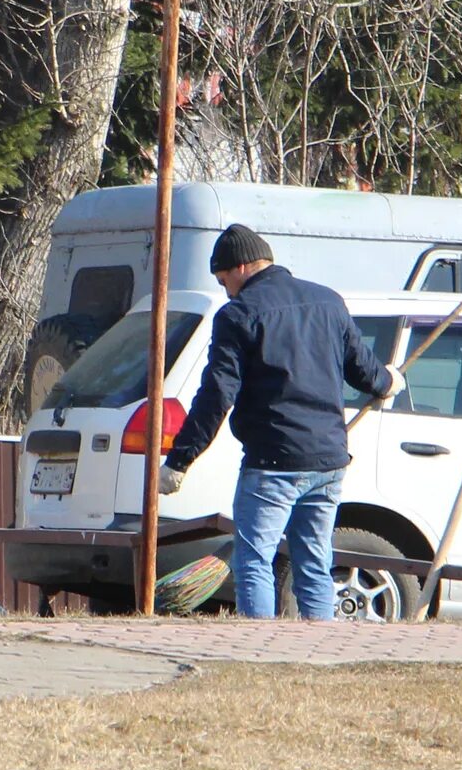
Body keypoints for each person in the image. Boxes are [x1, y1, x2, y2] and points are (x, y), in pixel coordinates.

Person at [161, 226, 394, 619]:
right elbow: (366, 374)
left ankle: (261, 650)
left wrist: (181, 459)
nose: (225, 291)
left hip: (273, 463)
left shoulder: (238, 315)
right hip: (328, 462)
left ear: (241, 267)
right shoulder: (328, 302)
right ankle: (315, 651)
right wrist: (390, 381)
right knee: (315, 563)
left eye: (223, 281)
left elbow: (217, 395)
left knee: (254, 562)